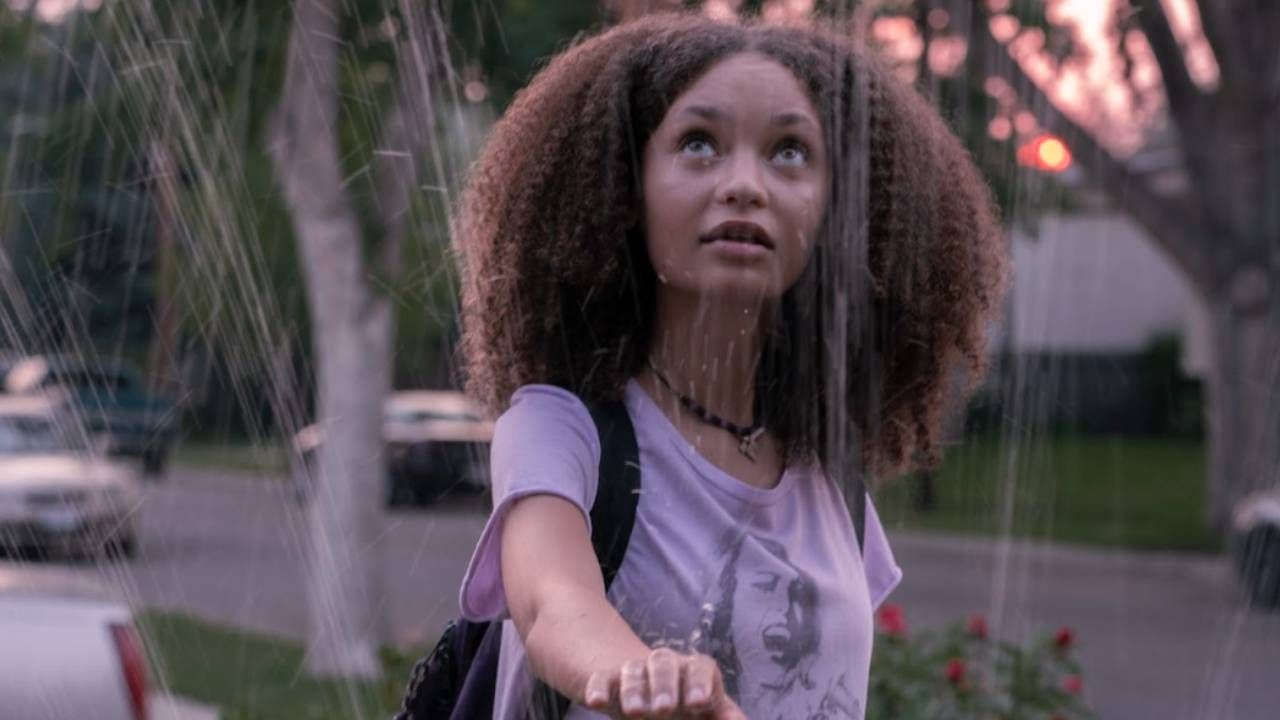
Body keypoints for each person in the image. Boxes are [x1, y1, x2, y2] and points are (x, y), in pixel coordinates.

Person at [454, 11, 1006, 720]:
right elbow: (552, 603)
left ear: (836, 209)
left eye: (789, 152)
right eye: (698, 143)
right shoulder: (560, 432)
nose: (745, 183)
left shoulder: (830, 479)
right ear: (625, 187)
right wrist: (639, 675)